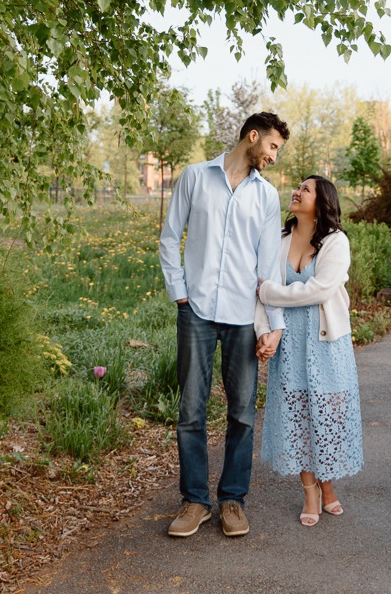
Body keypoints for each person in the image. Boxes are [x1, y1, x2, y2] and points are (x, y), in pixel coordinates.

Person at [159, 111, 290, 538]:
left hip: (243, 317)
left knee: (242, 413)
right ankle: (194, 501)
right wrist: (180, 293)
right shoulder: (195, 177)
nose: (273, 156)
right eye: (271, 146)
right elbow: (169, 236)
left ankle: (232, 500)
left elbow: (270, 265)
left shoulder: (266, 197)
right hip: (195, 310)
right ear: (252, 137)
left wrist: (274, 324)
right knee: (191, 412)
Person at [256, 175, 363, 525]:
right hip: (291, 346)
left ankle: (328, 484)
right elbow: (259, 292)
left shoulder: (336, 241)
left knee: (328, 418)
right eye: (297, 187)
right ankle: (311, 491)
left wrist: (272, 293)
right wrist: (265, 330)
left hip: (327, 344)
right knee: (298, 418)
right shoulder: (278, 240)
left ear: (321, 201)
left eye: (305, 189)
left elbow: (319, 289)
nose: (296, 192)